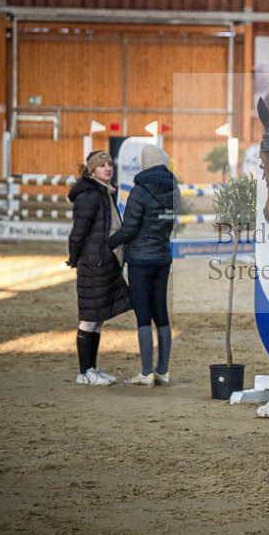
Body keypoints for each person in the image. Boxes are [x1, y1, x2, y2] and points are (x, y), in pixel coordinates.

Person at [107, 144, 181, 386]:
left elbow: (129, 229)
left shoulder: (139, 191)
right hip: (162, 257)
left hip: (139, 260)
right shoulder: (174, 191)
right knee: (161, 313)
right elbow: (170, 224)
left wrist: (109, 243)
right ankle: (163, 371)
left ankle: (146, 372)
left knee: (143, 316)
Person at [67, 150, 131, 385]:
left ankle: (92, 367)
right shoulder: (89, 197)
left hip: (105, 262)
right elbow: (78, 233)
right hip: (93, 264)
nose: (108, 168)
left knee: (98, 318)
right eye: (102, 166)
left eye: (110, 165)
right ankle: (84, 372)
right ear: (92, 170)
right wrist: (74, 259)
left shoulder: (105, 193)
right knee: (89, 319)